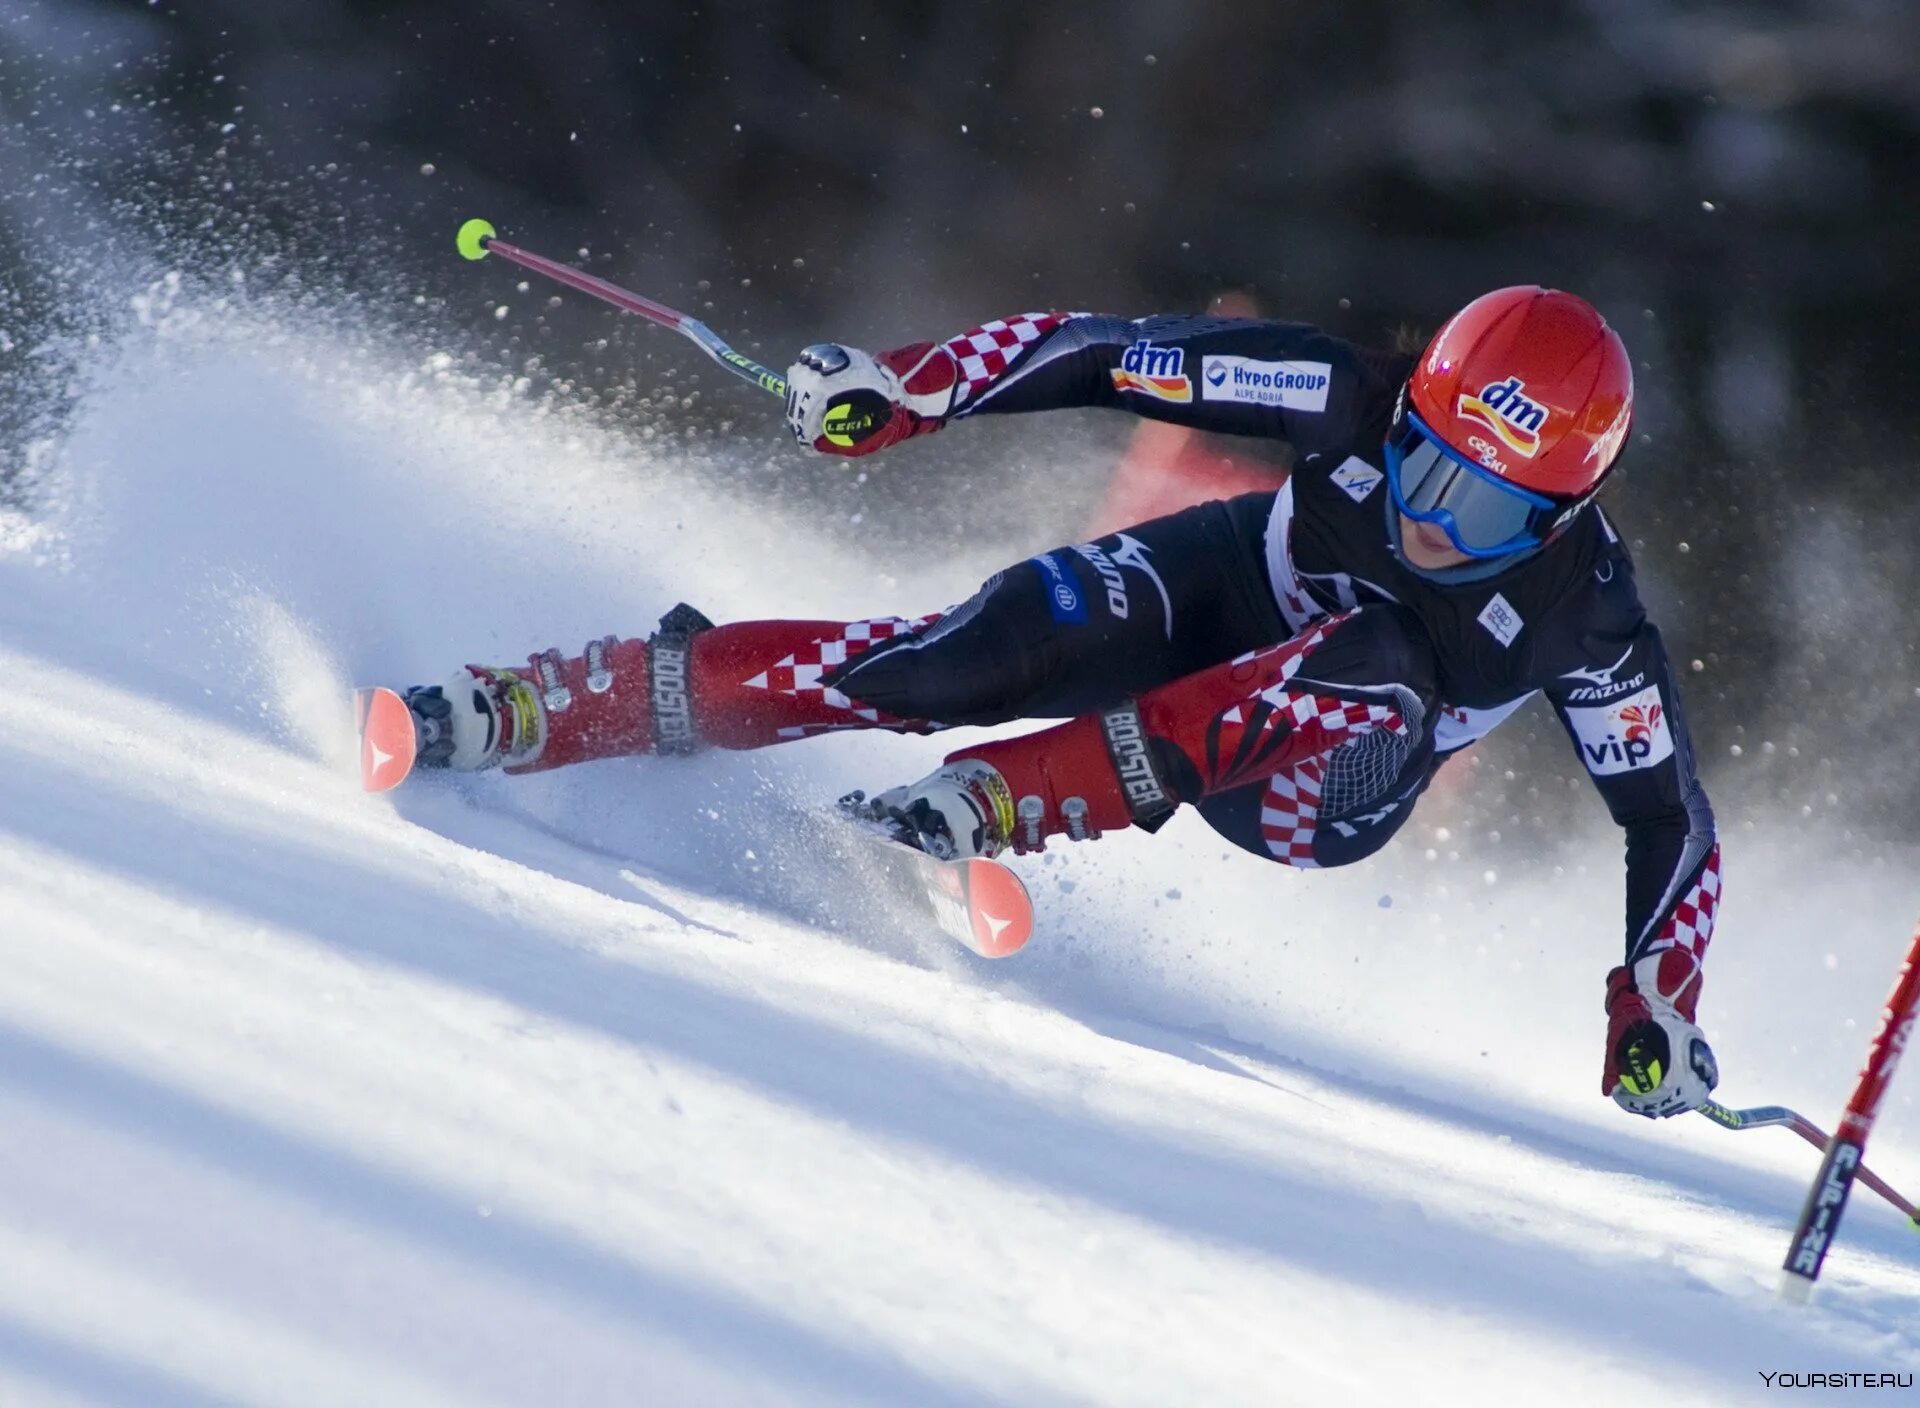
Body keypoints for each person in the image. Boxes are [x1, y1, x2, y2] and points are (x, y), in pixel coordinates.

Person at [401, 286, 1721, 1121]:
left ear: (1561, 513)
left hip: (1319, 779)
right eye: (1423, 466)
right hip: (1227, 593)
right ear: (1413, 404)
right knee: (959, 656)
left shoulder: (1586, 618)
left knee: (1375, 657)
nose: (1435, 516)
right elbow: (1102, 353)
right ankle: (566, 703)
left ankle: (1006, 800)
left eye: (1483, 507)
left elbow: (1668, 819)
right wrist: (908, 388)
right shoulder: (1342, 392)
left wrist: (1655, 999)